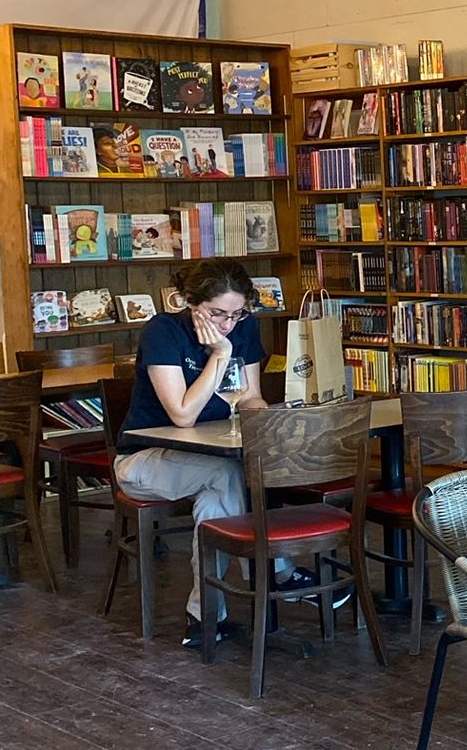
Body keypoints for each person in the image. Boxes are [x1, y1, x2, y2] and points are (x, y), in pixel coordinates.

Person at [113, 258, 313, 647]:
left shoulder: (244, 327)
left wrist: (269, 420)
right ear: (190, 302)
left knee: (218, 498)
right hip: (143, 461)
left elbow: (249, 398)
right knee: (228, 476)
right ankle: (274, 572)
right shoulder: (163, 332)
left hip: (211, 460)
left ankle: (204, 617)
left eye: (236, 314)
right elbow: (183, 415)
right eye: (217, 313)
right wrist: (220, 354)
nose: (227, 324)